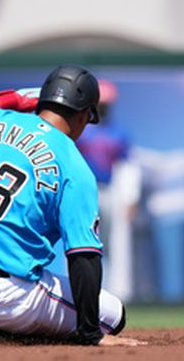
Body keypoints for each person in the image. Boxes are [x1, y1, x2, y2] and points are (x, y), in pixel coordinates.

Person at [0, 65, 143, 346]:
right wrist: (91, 334)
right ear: (83, 114)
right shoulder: (74, 166)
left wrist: (12, 99)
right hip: (1, 295)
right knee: (113, 315)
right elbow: (83, 257)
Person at [75, 80, 141, 301]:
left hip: (110, 190)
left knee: (114, 244)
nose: (102, 108)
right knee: (81, 241)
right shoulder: (81, 131)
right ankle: (81, 291)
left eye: (106, 104)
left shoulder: (118, 133)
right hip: (85, 192)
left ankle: (116, 294)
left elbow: (128, 166)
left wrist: (131, 197)